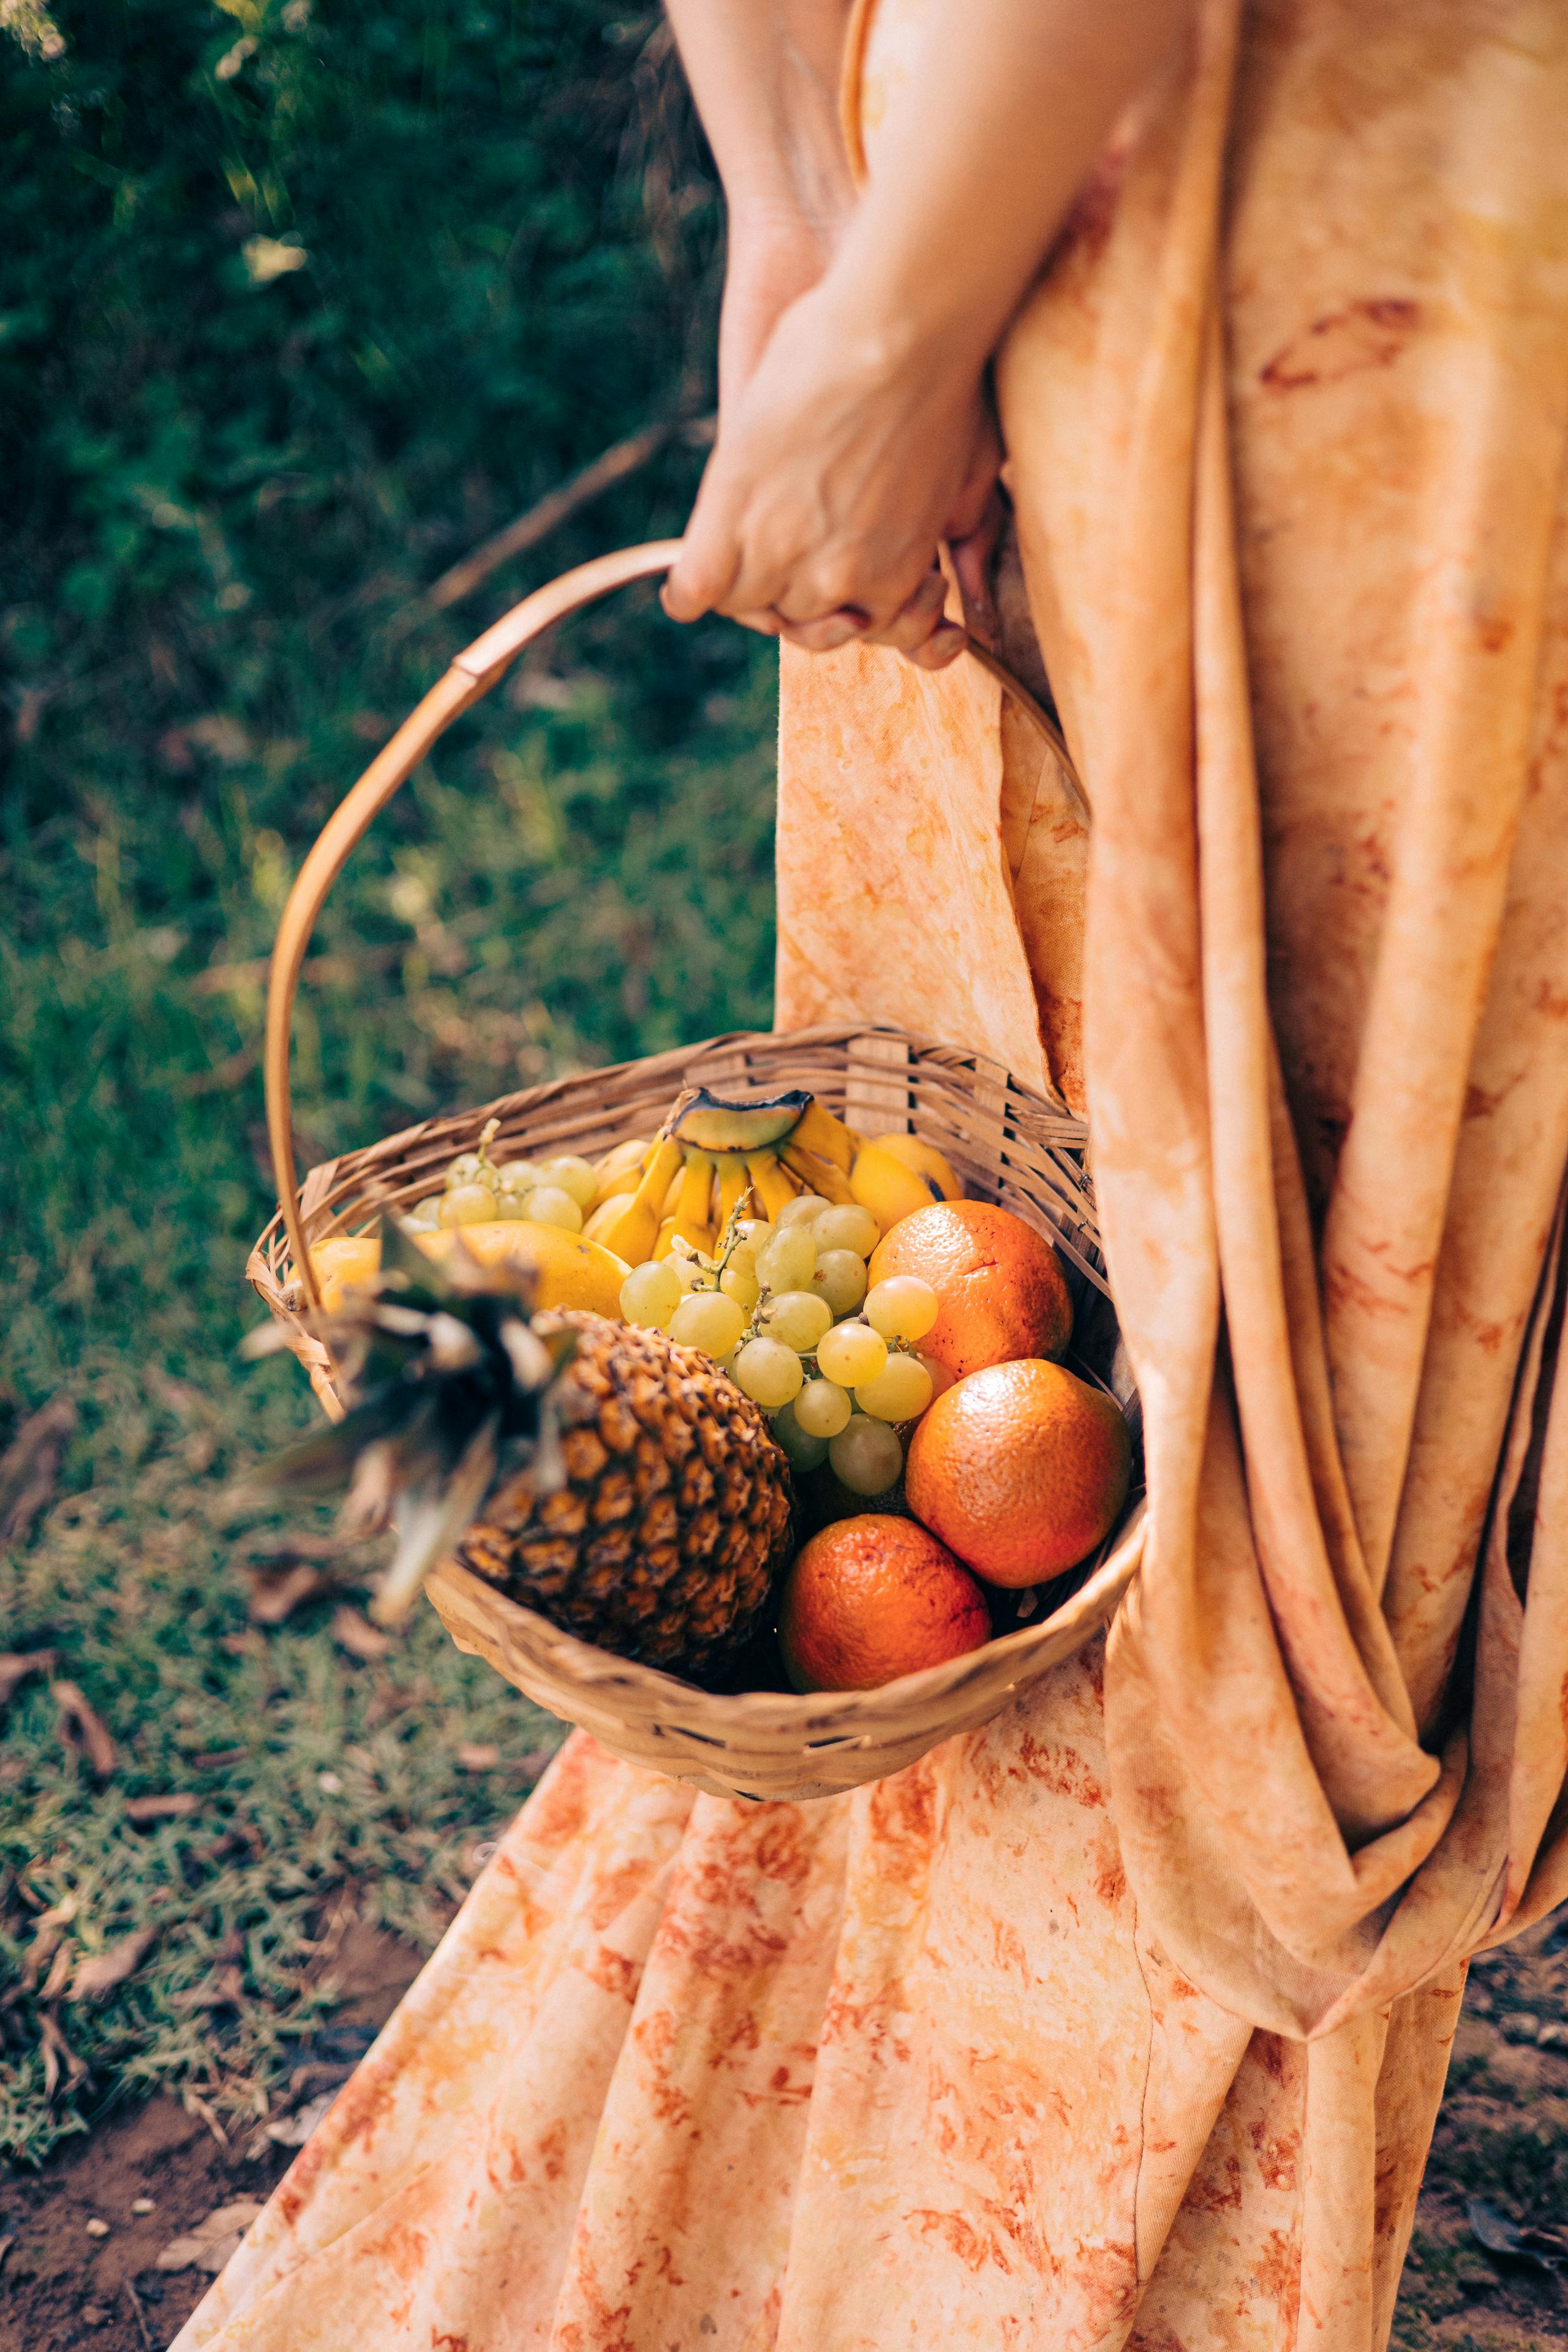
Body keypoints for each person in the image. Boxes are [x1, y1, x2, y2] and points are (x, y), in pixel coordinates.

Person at [179, 4, 1568, 2347]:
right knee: (1258, 1372)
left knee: (1111, 1258)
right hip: (1249, 232)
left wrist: (845, 226)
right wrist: (851, 261)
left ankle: (883, 2187)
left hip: (1029, 135)